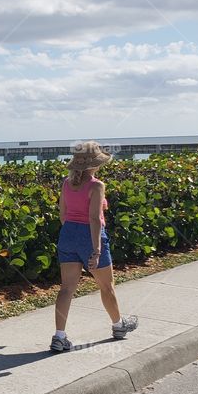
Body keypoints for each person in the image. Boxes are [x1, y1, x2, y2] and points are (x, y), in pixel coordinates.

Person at [51, 141, 138, 352]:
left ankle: (59, 336)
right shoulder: (96, 185)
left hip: (68, 233)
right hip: (90, 235)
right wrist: (96, 248)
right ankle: (119, 325)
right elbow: (94, 219)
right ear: (94, 164)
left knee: (66, 288)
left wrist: (72, 233)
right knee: (106, 286)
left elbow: (62, 214)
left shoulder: (66, 183)